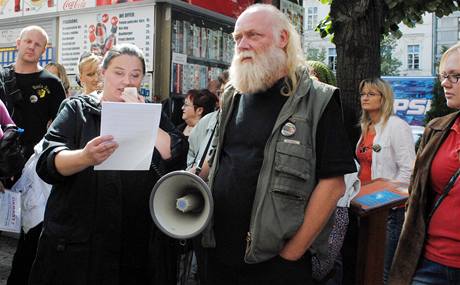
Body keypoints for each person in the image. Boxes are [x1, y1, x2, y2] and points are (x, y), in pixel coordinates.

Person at [197, 4, 356, 284]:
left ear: (282, 39)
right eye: (237, 38)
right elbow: (218, 156)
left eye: (253, 35)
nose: (242, 44)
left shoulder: (319, 100)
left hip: (275, 265)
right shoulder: (233, 95)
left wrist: (291, 255)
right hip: (217, 255)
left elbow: (333, 185)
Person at [28, 43, 188, 285]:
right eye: (118, 72)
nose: (127, 81)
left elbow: (174, 152)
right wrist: (85, 157)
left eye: (135, 75)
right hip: (82, 241)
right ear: (103, 74)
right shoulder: (77, 109)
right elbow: (49, 161)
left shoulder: (150, 113)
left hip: (135, 240)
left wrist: (142, 116)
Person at [389, 43, 460, 285]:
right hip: (431, 263)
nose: (445, 83)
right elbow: (417, 195)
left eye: (456, 76)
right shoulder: (437, 129)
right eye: (444, 76)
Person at [2, 25, 66, 285]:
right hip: (2, 167)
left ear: (44, 49)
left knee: (32, 238)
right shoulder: (0, 78)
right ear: (17, 43)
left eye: (37, 44)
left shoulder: (51, 83)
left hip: (35, 172)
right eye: (27, 41)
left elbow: (63, 127)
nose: (31, 46)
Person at [355, 78, 415, 283]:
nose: (365, 97)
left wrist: (388, 201)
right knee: (365, 265)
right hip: (362, 207)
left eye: (371, 94)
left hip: (386, 211)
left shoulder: (397, 126)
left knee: (383, 269)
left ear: (384, 97)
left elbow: (409, 168)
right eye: (363, 94)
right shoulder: (366, 126)